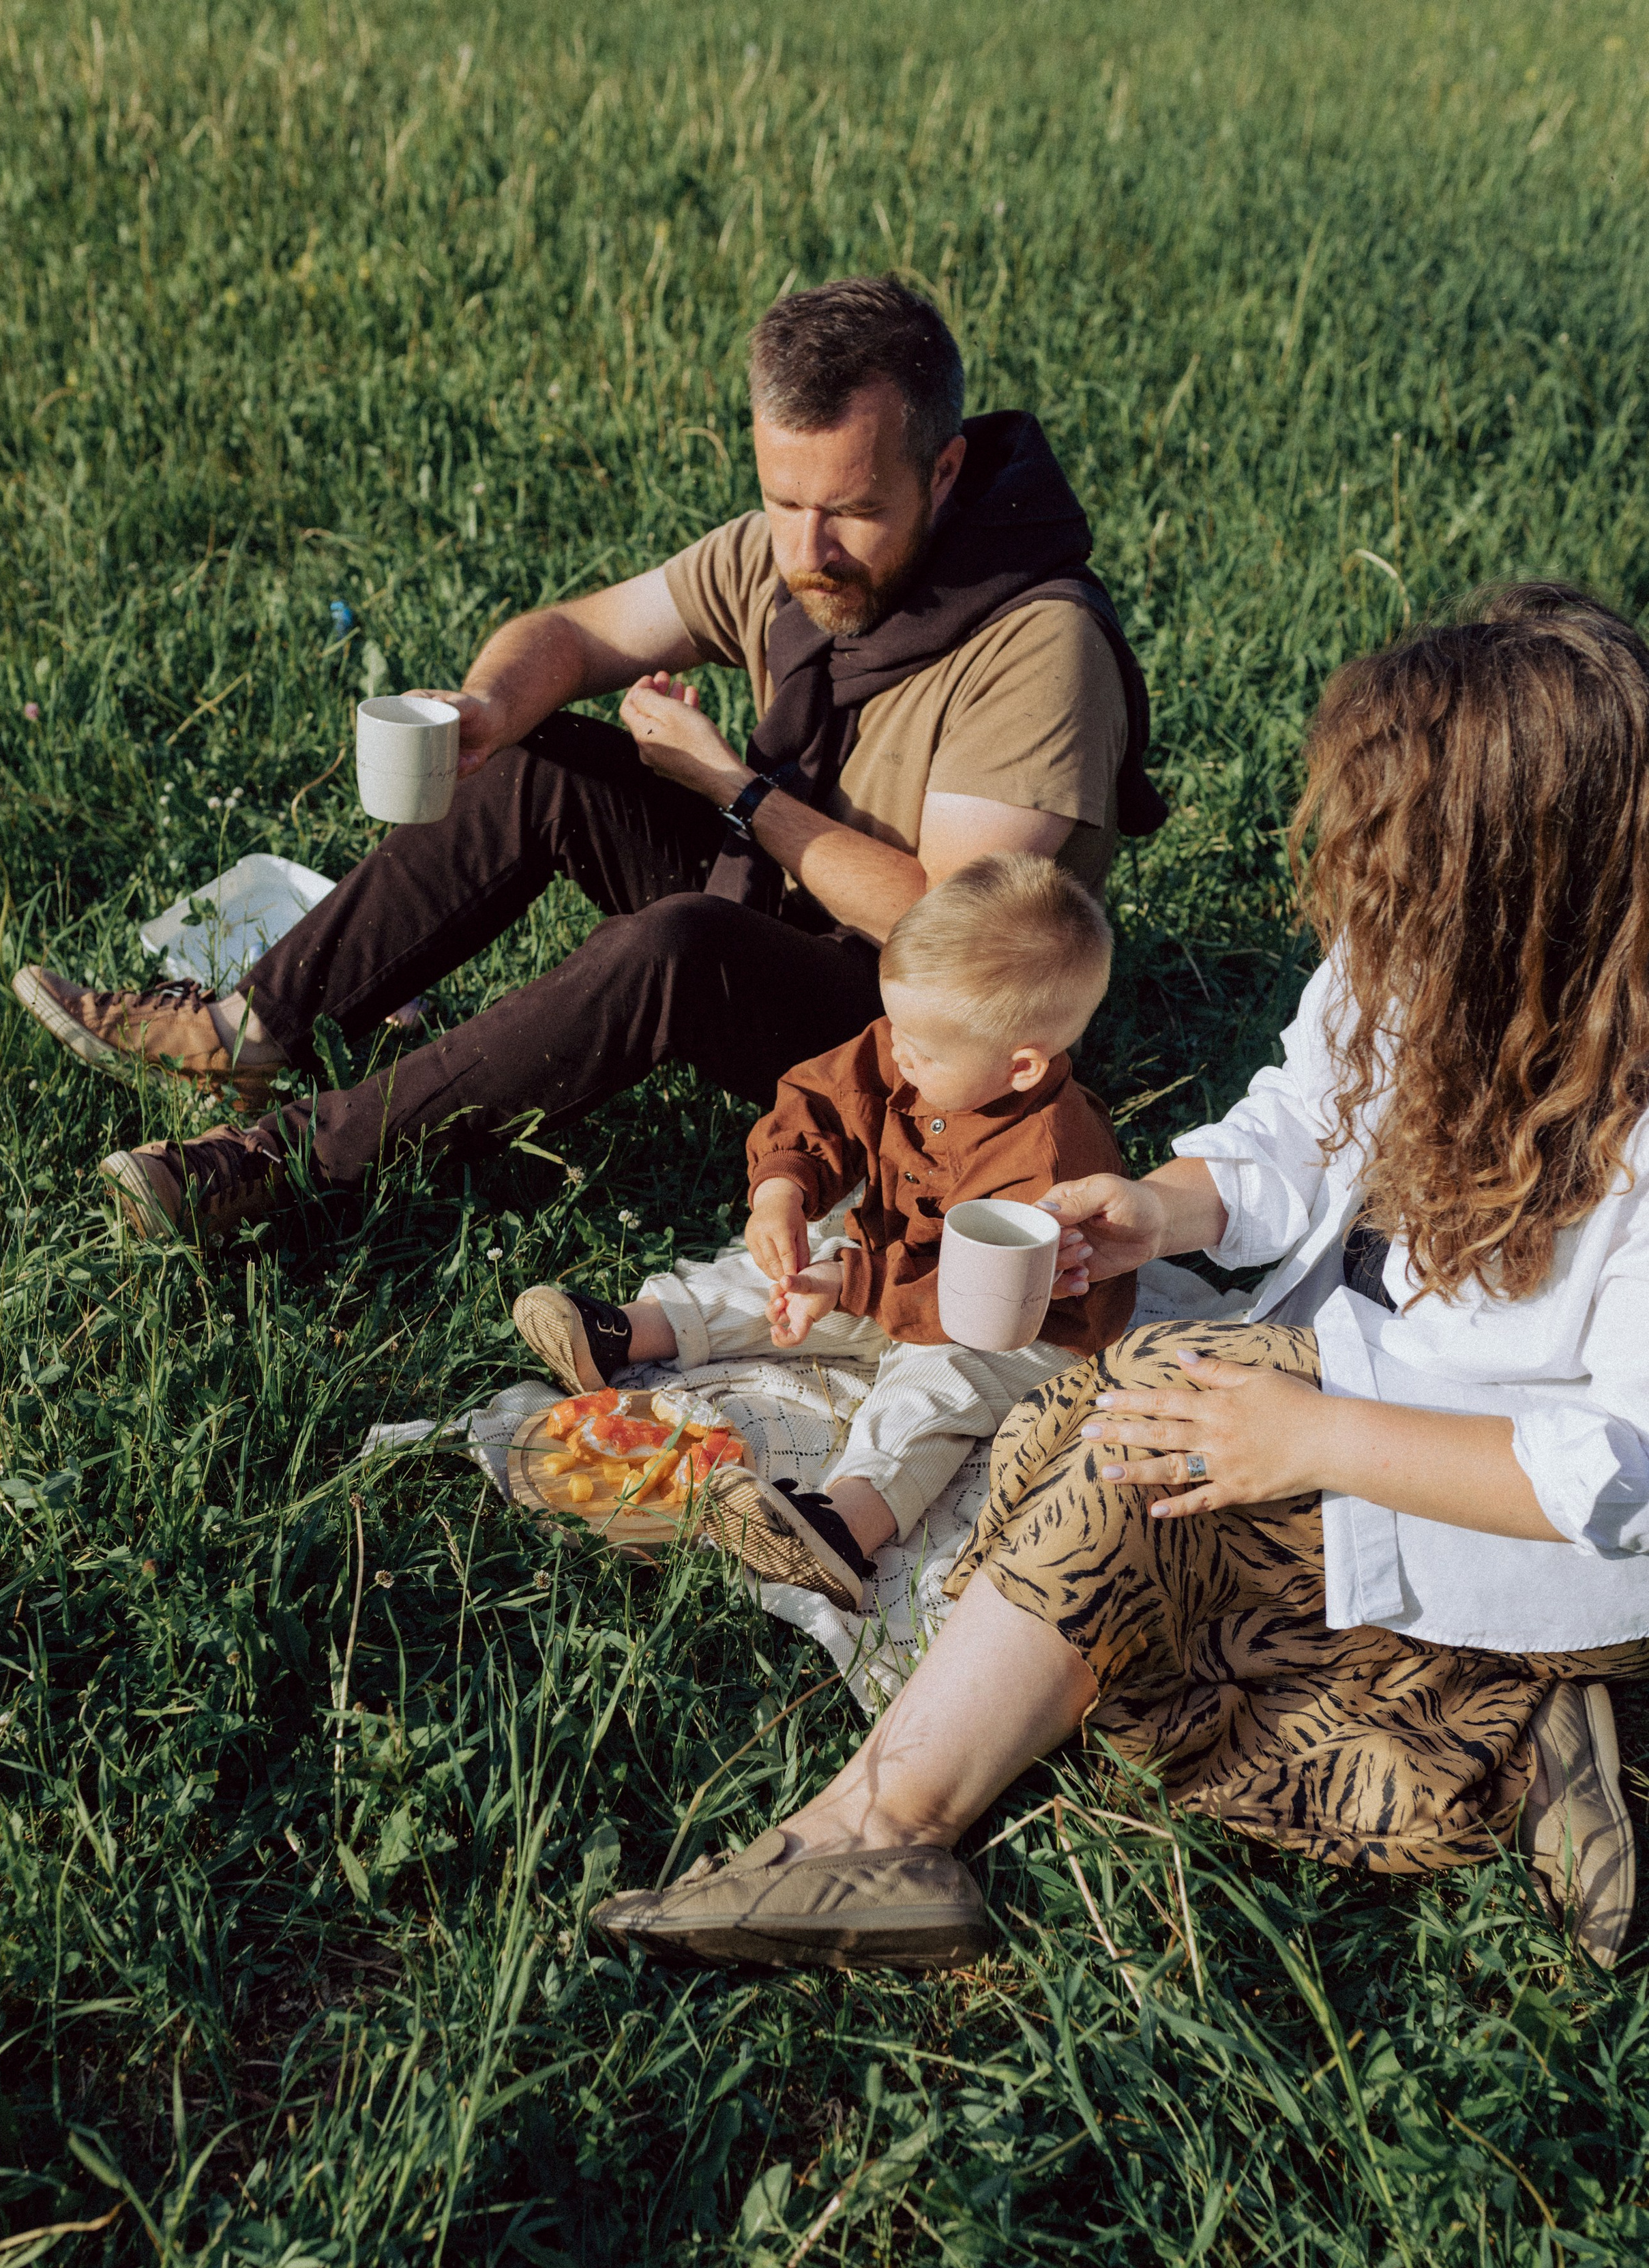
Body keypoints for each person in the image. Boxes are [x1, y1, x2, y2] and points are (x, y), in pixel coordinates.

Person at [594, 585, 1649, 1975]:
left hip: (1523, 1498)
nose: (1356, 892)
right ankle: (1530, 1739)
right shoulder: (1416, 958)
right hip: (1361, 1369)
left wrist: (1312, 1435)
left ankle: (875, 1826)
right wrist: (1151, 1210)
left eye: (1398, 860)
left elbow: (1622, 1468)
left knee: (1135, 1439)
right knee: (1053, 1448)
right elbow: (1292, 1118)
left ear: (1525, 884)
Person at [8, 275, 1164, 1241]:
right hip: (789, 915)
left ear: (947, 472)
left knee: (681, 944)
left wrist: (736, 790)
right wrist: (481, 707)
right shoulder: (792, 551)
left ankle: (289, 1163)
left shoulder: (1039, 643)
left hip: (920, 1040)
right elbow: (575, 634)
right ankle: (244, 1034)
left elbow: (945, 938)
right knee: (538, 762)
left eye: (851, 512)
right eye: (782, 501)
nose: (809, 552)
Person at [511, 855, 1137, 1609]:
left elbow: (973, 1299)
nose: (898, 1050)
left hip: (1015, 1330)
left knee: (930, 1392)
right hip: (889, 1264)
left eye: (922, 1048)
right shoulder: (911, 1049)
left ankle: (842, 1527)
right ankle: (623, 1334)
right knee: (773, 1269)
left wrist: (849, 1286)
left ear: (1023, 1066)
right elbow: (827, 1100)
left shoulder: (1050, 1156)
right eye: (896, 1026)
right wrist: (782, 1186)